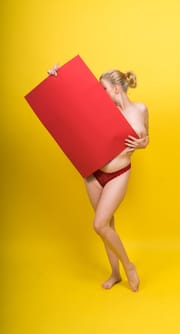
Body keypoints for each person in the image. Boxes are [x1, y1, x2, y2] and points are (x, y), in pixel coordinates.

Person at [49, 66, 149, 291]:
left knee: (99, 224)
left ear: (115, 88)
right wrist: (57, 79)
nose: (99, 93)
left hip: (119, 173)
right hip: (94, 174)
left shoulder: (141, 109)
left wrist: (144, 143)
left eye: (102, 88)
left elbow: (147, 138)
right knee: (107, 225)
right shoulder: (103, 109)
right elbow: (70, 104)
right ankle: (115, 274)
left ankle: (128, 266)